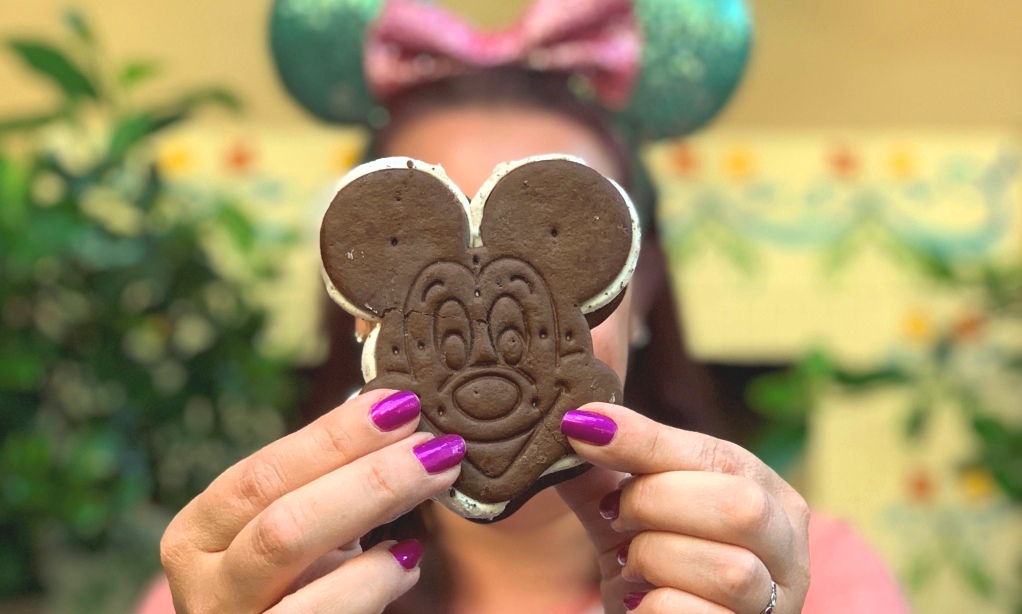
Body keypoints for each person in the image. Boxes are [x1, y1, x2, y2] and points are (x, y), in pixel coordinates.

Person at [141, 1, 912, 613]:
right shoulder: (241, 583)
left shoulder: (810, 578)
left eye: (556, 260)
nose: (483, 322)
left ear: (638, 295)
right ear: (359, 302)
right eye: (429, 259)